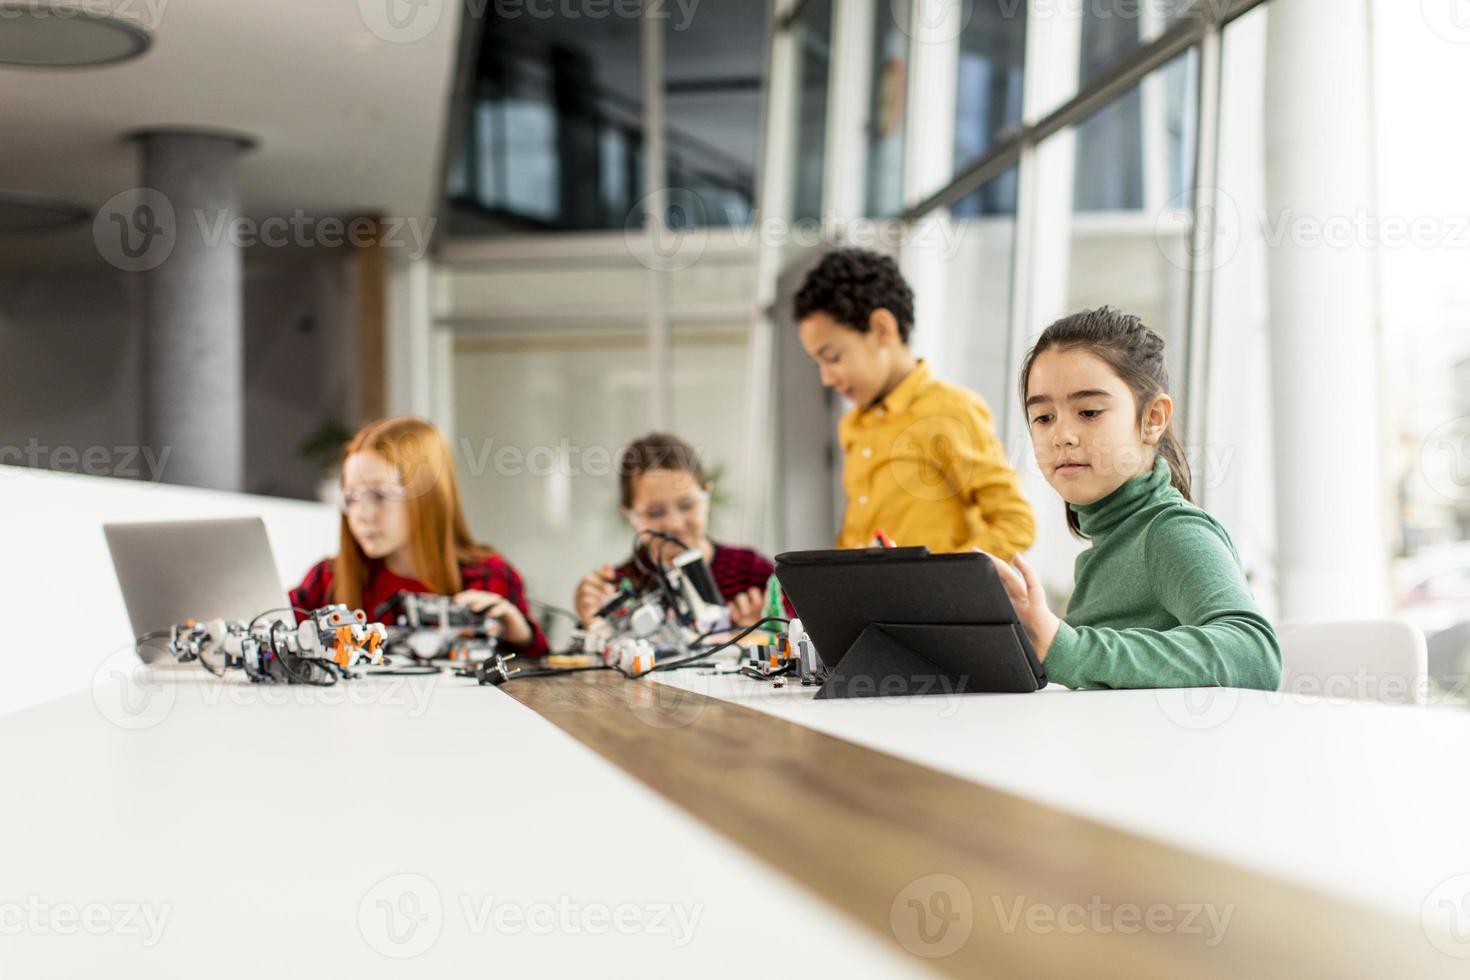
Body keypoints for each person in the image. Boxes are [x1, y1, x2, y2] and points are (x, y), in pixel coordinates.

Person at [984, 307, 1280, 690]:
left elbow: (1255, 655)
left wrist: (1066, 647)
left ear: (1153, 418)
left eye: (1088, 412)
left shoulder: (1170, 532)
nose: (1062, 436)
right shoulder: (1110, 542)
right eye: (1043, 417)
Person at [793, 247, 1035, 558]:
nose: (827, 378)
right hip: (872, 604)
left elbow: (1016, 524)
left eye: (833, 358)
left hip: (935, 605)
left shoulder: (951, 410)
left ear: (882, 328)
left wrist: (940, 579)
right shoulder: (853, 425)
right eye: (818, 365)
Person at [291, 416, 548, 657]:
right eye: (351, 498)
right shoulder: (327, 580)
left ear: (427, 498)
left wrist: (520, 634)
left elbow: (539, 678)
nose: (360, 515)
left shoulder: (490, 577)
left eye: (379, 495)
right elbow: (269, 627)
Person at [573, 433, 778, 629]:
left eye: (687, 505)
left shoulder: (753, 573)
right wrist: (593, 622)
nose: (674, 524)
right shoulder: (613, 591)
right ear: (630, 516)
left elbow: (800, 639)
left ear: (707, 496)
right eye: (655, 512)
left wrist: (766, 630)